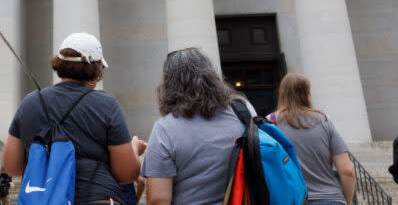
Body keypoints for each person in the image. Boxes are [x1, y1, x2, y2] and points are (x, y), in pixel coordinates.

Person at [4, 32, 146, 204]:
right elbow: (126, 174)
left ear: (59, 64)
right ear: (96, 69)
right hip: (97, 197)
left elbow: (12, 166)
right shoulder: (106, 104)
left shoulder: (30, 102)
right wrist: (134, 149)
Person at [142, 47, 256, 205]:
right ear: (211, 75)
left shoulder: (164, 129)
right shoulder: (243, 110)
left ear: (168, 83)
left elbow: (158, 200)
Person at [269, 73, 355, 205]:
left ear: (282, 94)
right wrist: (348, 201)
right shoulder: (324, 120)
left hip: (291, 199)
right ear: (307, 93)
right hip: (330, 198)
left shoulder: (270, 123)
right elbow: (347, 170)